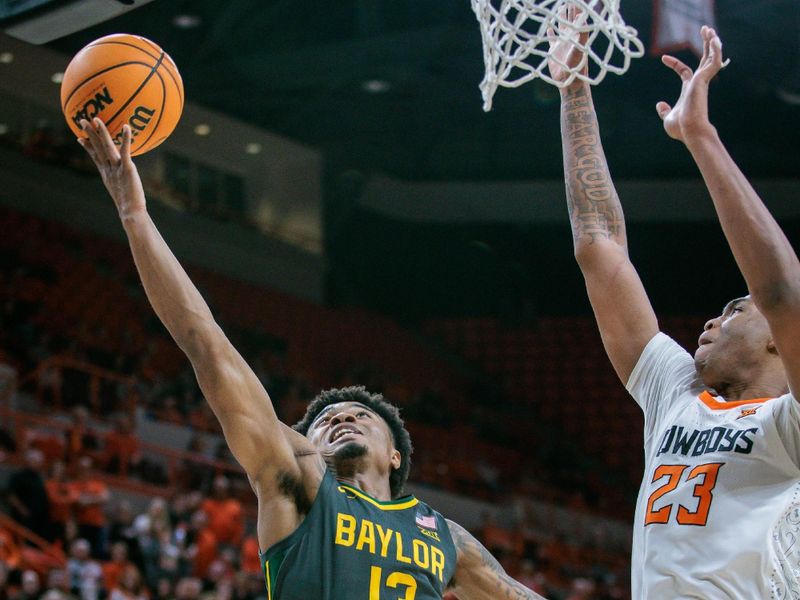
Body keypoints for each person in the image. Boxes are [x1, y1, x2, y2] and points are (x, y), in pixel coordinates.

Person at [77, 118, 546, 600]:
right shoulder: (298, 478)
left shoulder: (446, 536)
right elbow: (204, 342)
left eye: (361, 415)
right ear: (309, 445)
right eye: (324, 421)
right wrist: (134, 214)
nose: (342, 416)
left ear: (395, 455)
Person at [550, 13, 800, 597]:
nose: (713, 319)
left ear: (776, 340)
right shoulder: (677, 394)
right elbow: (600, 251)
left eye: (736, 309)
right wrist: (573, 89)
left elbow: (781, 291)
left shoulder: (789, 424)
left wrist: (700, 137)